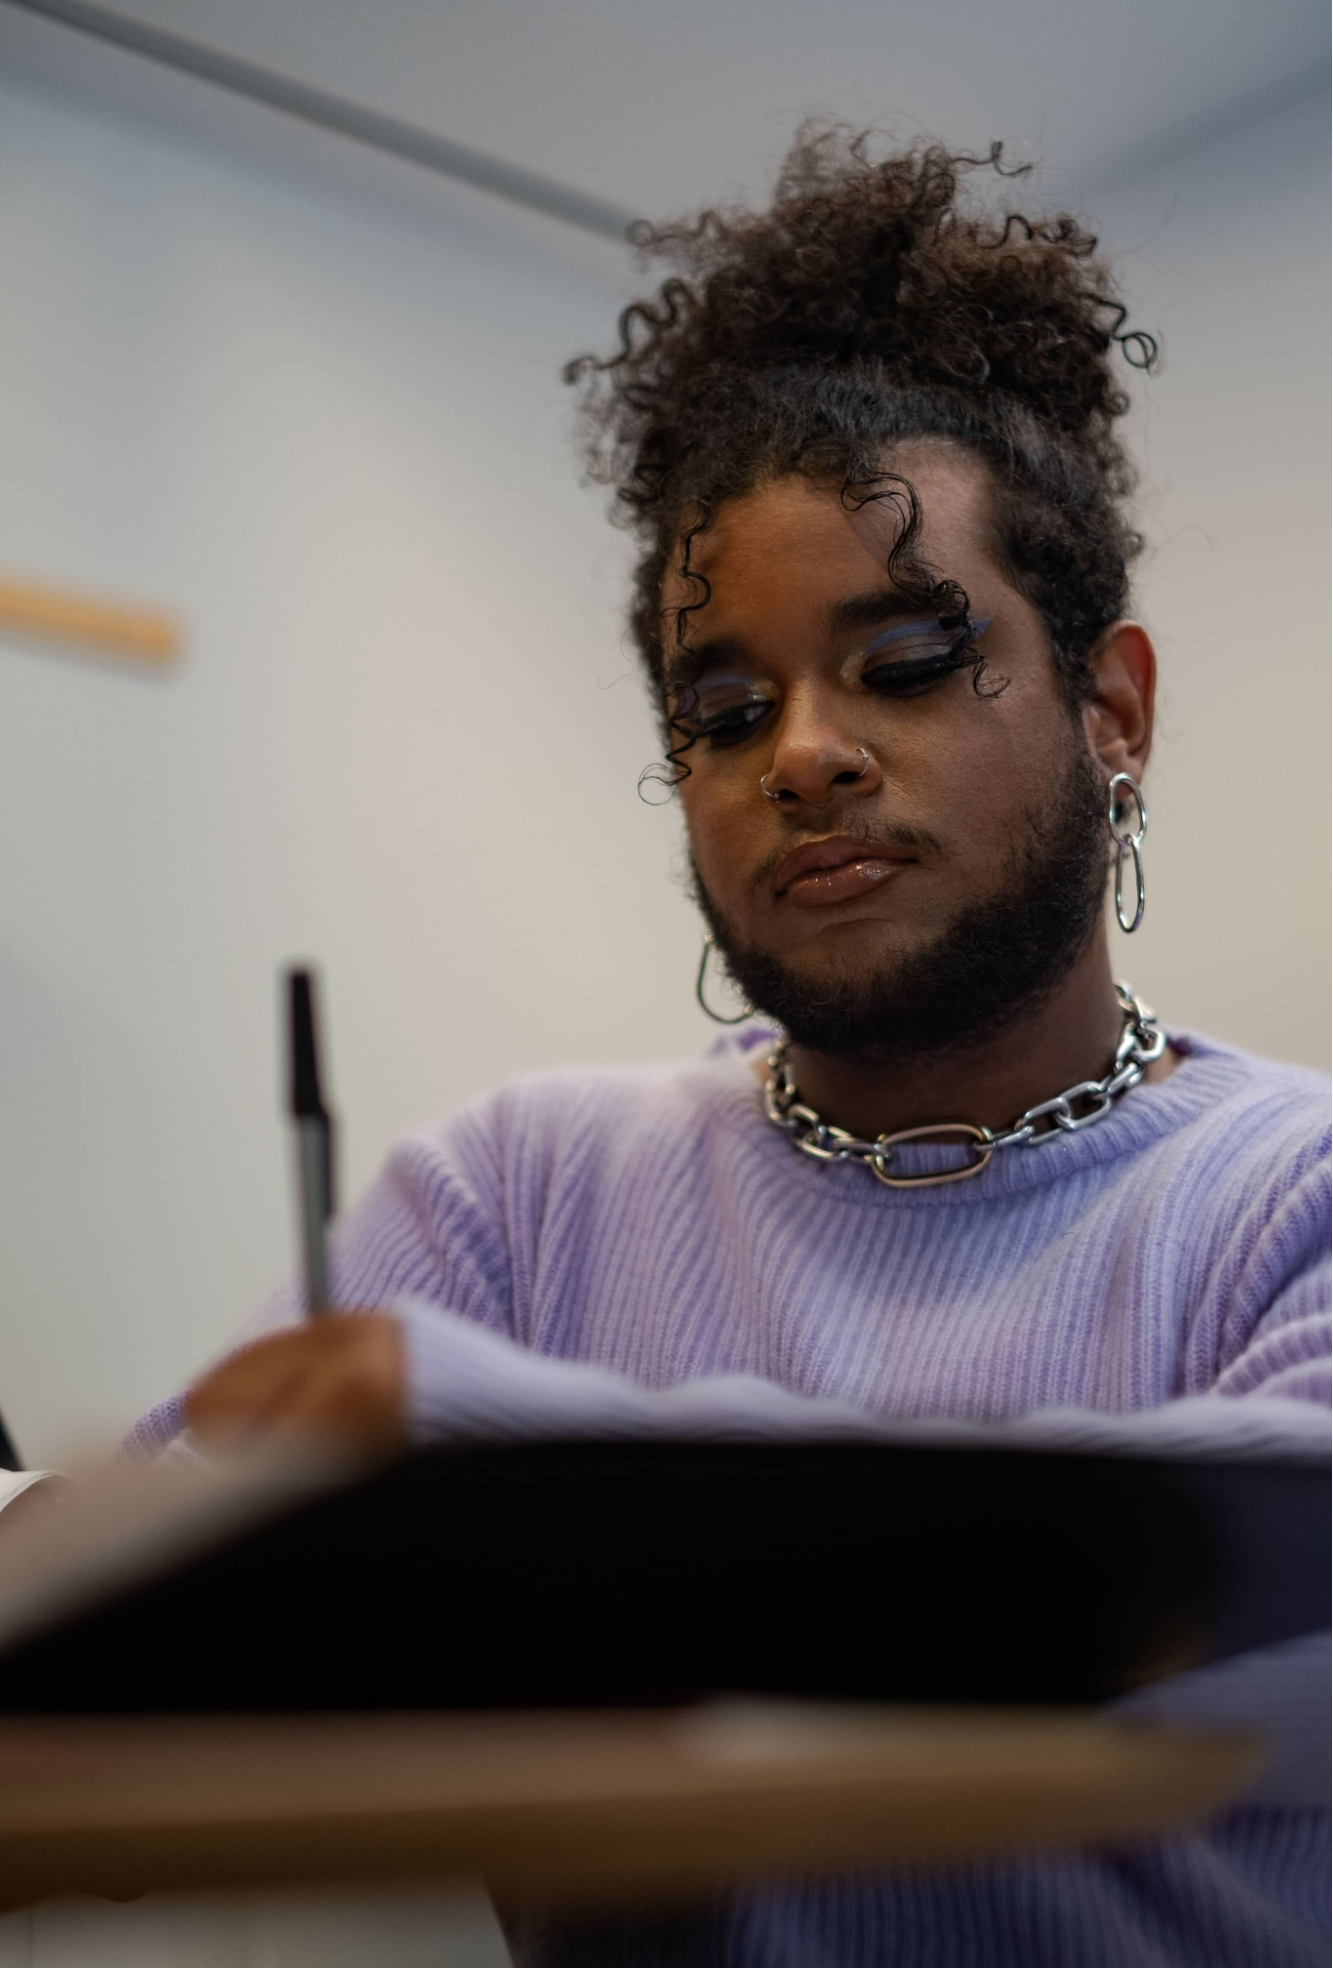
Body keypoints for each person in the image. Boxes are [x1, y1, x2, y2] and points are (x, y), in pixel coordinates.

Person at [131, 132, 1330, 1966]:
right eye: (720, 706)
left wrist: (472, 1453)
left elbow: (1151, 1610)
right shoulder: (519, 1192)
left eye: (909, 660)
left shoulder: (1294, 1197)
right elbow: (135, 1607)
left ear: (1113, 706)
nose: (803, 752)